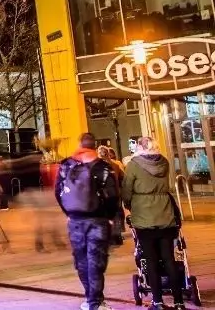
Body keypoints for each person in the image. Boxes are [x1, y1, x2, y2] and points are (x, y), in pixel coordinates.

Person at [55, 133, 119, 310]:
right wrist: (110, 216)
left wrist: (68, 212)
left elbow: (58, 192)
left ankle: (90, 298)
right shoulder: (103, 167)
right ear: (95, 145)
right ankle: (95, 302)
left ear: (79, 143)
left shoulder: (66, 165)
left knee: (81, 260)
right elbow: (113, 195)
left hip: (75, 219)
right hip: (98, 220)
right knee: (96, 261)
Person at [122, 136, 184, 310]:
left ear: (140, 147)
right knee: (169, 259)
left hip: (143, 217)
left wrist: (129, 205)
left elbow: (127, 189)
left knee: (151, 259)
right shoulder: (164, 162)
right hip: (165, 214)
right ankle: (179, 301)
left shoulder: (133, 165)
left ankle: (158, 301)